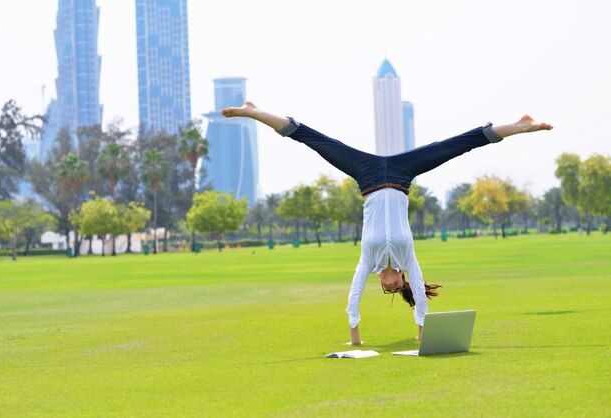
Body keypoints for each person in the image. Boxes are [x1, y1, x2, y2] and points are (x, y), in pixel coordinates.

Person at [221, 101, 553, 345]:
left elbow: (353, 295)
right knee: (454, 146)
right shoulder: (409, 261)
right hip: (399, 175)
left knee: (314, 139)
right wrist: (422, 332)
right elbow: (420, 297)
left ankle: (520, 126)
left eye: (385, 287)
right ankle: (253, 111)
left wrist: (355, 336)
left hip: (366, 176)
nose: (388, 284)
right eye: (395, 287)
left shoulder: (368, 262)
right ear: (401, 278)